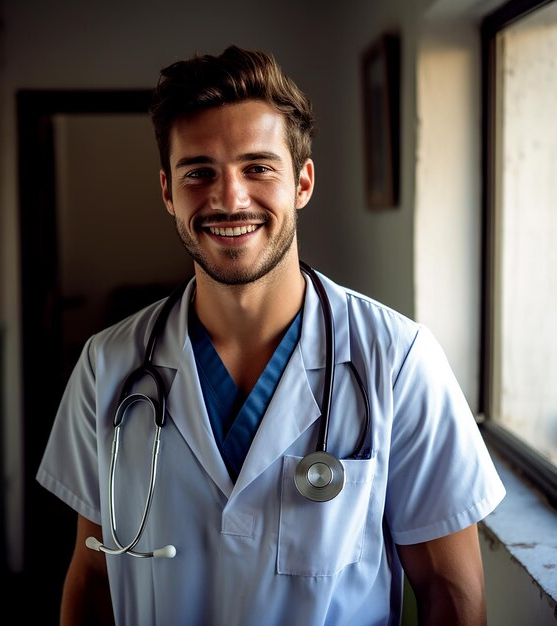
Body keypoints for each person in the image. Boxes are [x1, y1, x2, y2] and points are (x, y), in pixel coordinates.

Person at [36, 44, 506, 625]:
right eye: (198, 172)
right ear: (167, 192)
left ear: (302, 182)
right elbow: (93, 574)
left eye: (257, 167)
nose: (229, 198)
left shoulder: (397, 361)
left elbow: (451, 595)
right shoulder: (108, 366)